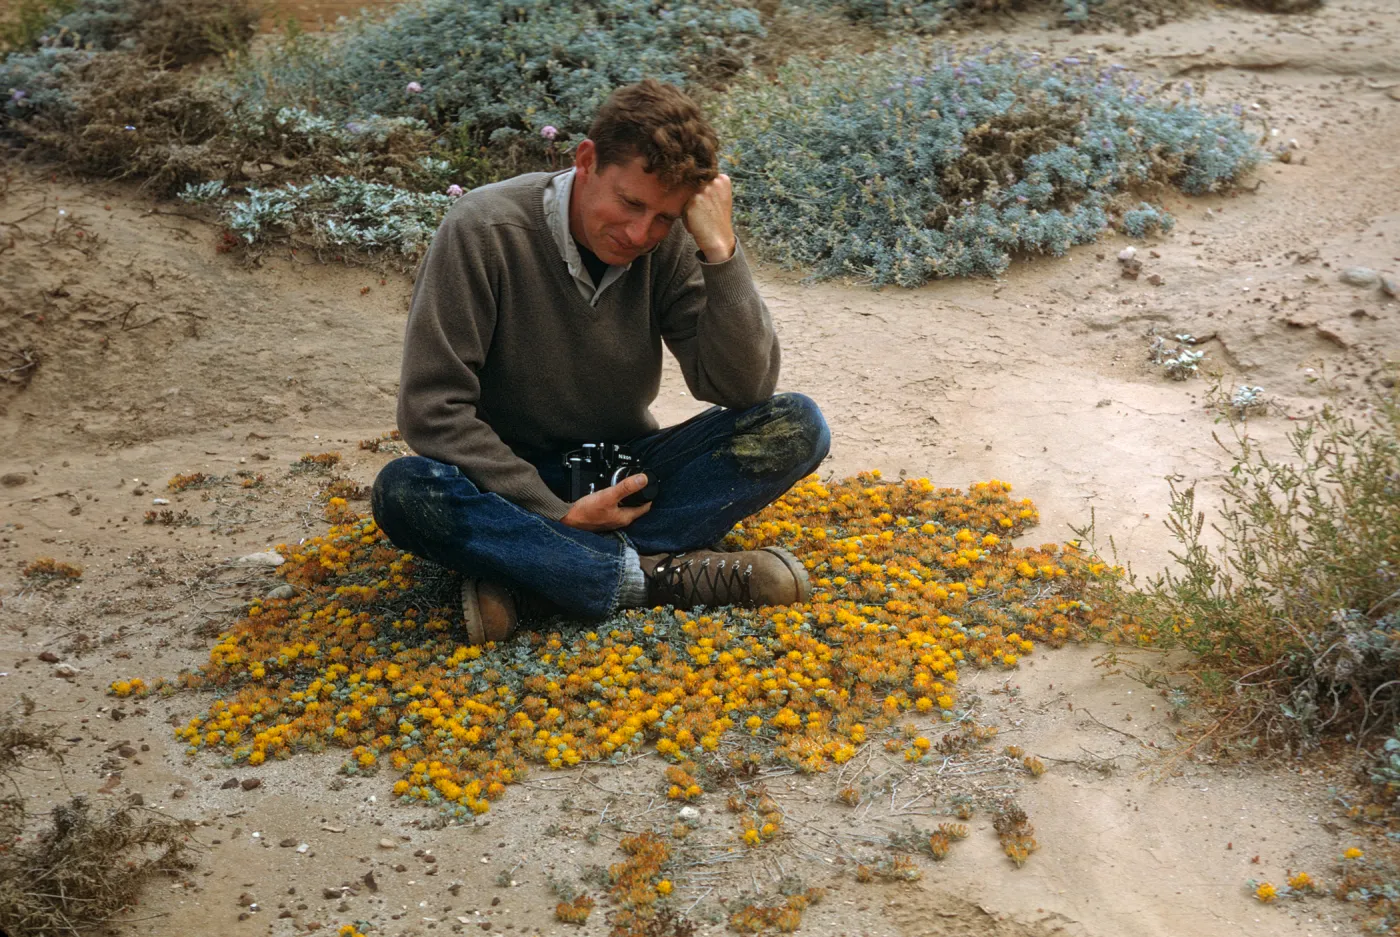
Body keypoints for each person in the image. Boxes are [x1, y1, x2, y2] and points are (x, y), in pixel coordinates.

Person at [371, 78, 830, 645]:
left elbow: (744, 387)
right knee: (406, 489)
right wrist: (553, 509)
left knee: (796, 425)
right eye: (630, 203)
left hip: (621, 472)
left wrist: (721, 252)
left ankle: (534, 575)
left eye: (664, 216)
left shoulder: (667, 243)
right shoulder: (482, 230)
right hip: (506, 481)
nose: (641, 233)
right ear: (586, 160)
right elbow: (431, 410)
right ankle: (650, 578)